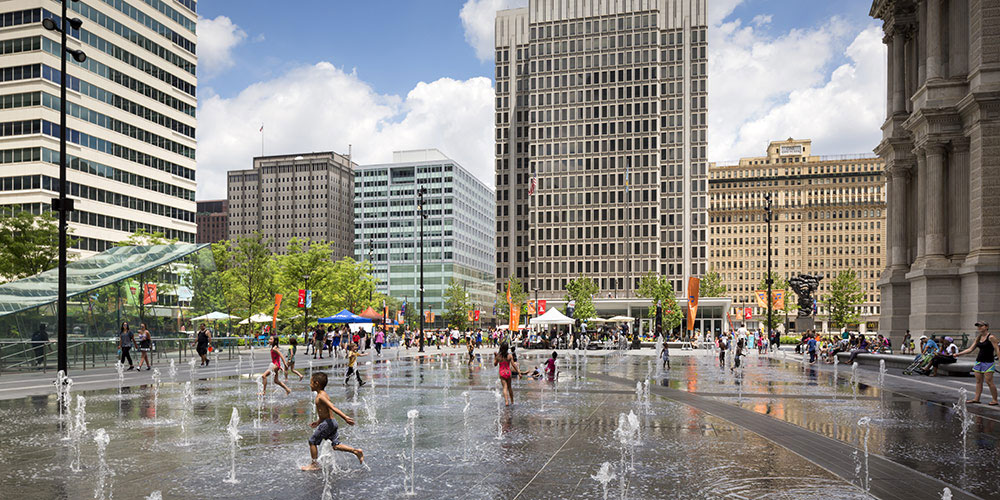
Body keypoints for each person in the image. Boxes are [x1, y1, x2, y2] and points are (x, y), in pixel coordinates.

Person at [300, 372, 363, 471]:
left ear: (316, 383)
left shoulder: (321, 396)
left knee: (312, 441)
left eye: (311, 382)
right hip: (331, 422)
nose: (310, 384)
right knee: (336, 445)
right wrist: (318, 421)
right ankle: (356, 451)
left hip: (327, 424)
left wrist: (345, 417)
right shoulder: (323, 394)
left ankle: (314, 464)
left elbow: (332, 407)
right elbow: (324, 412)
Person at [955, 321, 999, 405]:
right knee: (978, 381)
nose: (979, 327)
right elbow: (970, 349)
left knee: (989, 381)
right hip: (979, 361)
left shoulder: (991, 337)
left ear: (986, 327)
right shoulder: (978, 338)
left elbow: (997, 349)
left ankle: (995, 400)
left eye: (981, 326)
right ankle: (976, 398)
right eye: (978, 326)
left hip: (988, 362)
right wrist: (959, 354)